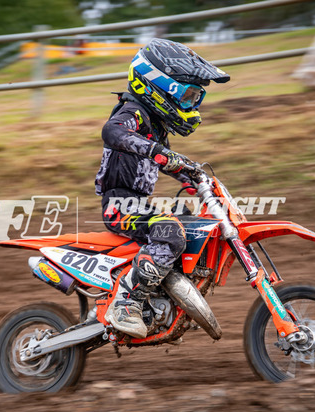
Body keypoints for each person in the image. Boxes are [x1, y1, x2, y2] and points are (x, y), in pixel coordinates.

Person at [95, 38, 230, 338]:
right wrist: (158, 152)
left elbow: (169, 161)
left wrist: (196, 180)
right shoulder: (132, 113)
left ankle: (163, 294)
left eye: (196, 98)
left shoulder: (155, 125)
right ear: (159, 88)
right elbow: (112, 131)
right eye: (187, 96)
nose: (192, 105)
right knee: (170, 233)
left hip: (137, 204)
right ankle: (127, 303)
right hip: (119, 206)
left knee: (189, 222)